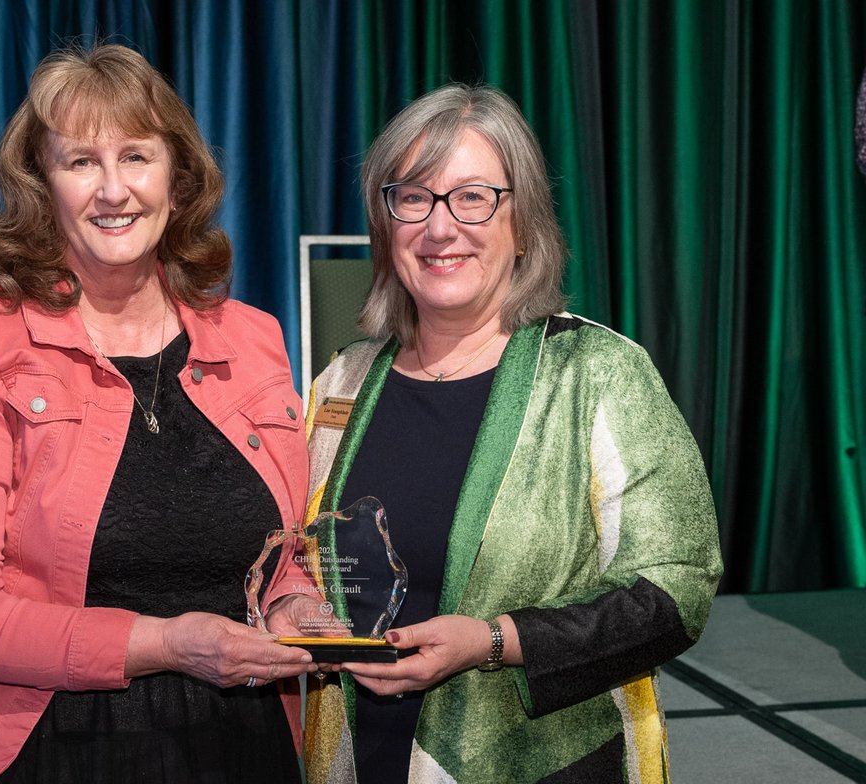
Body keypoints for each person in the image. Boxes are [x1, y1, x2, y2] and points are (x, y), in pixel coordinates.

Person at [0, 43, 320, 783]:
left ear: (178, 175)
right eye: (79, 163)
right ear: (42, 185)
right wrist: (168, 643)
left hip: (239, 730)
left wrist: (296, 604)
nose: (113, 190)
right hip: (39, 737)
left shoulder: (253, 337)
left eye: (136, 156)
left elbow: (286, 552)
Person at [301, 83, 723, 783]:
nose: (440, 228)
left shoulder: (599, 373)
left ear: (521, 220)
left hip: (549, 761)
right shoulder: (341, 382)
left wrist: (493, 640)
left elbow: (676, 592)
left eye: (472, 197)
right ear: (386, 222)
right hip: (360, 755)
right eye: (413, 196)